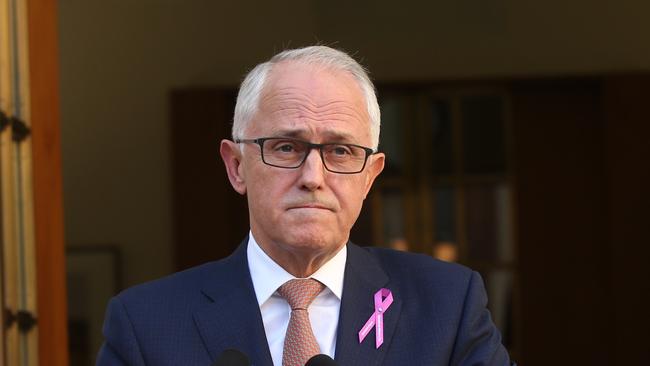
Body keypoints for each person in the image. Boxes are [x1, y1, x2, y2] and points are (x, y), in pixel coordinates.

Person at [96, 46, 513, 366]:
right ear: (237, 166)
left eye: (342, 151)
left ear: (370, 175)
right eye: (285, 147)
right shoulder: (146, 325)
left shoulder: (447, 306)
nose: (313, 176)